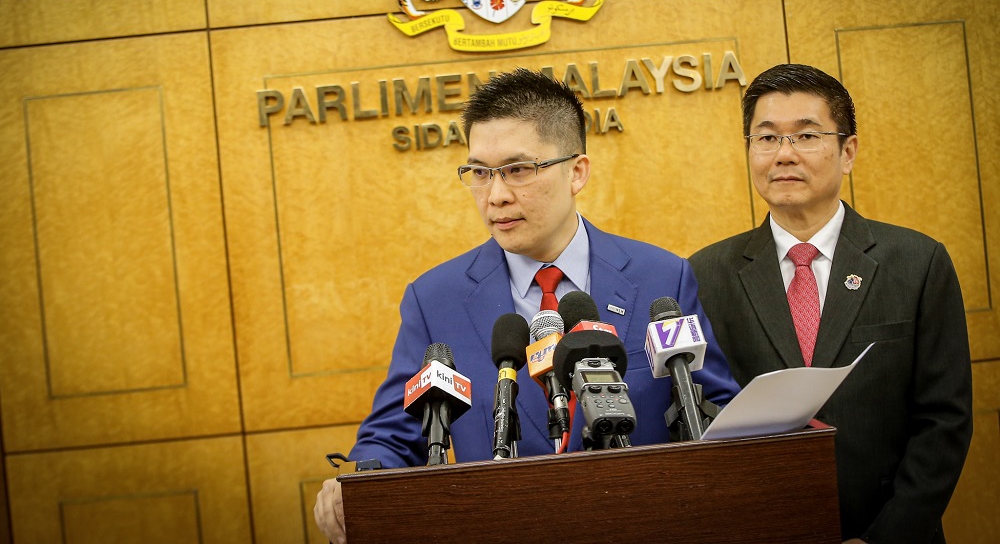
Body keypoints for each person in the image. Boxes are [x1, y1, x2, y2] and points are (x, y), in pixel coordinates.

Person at [315, 67, 740, 541]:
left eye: (518, 170)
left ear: (577, 171)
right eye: (479, 173)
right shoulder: (436, 299)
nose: (495, 196)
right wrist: (357, 481)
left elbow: (716, 407)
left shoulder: (661, 276)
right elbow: (397, 434)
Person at [688, 63, 973, 543]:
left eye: (806, 136)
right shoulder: (704, 274)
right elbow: (699, 418)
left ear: (848, 152)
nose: (784, 155)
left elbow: (945, 419)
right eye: (766, 138)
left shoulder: (918, 262)